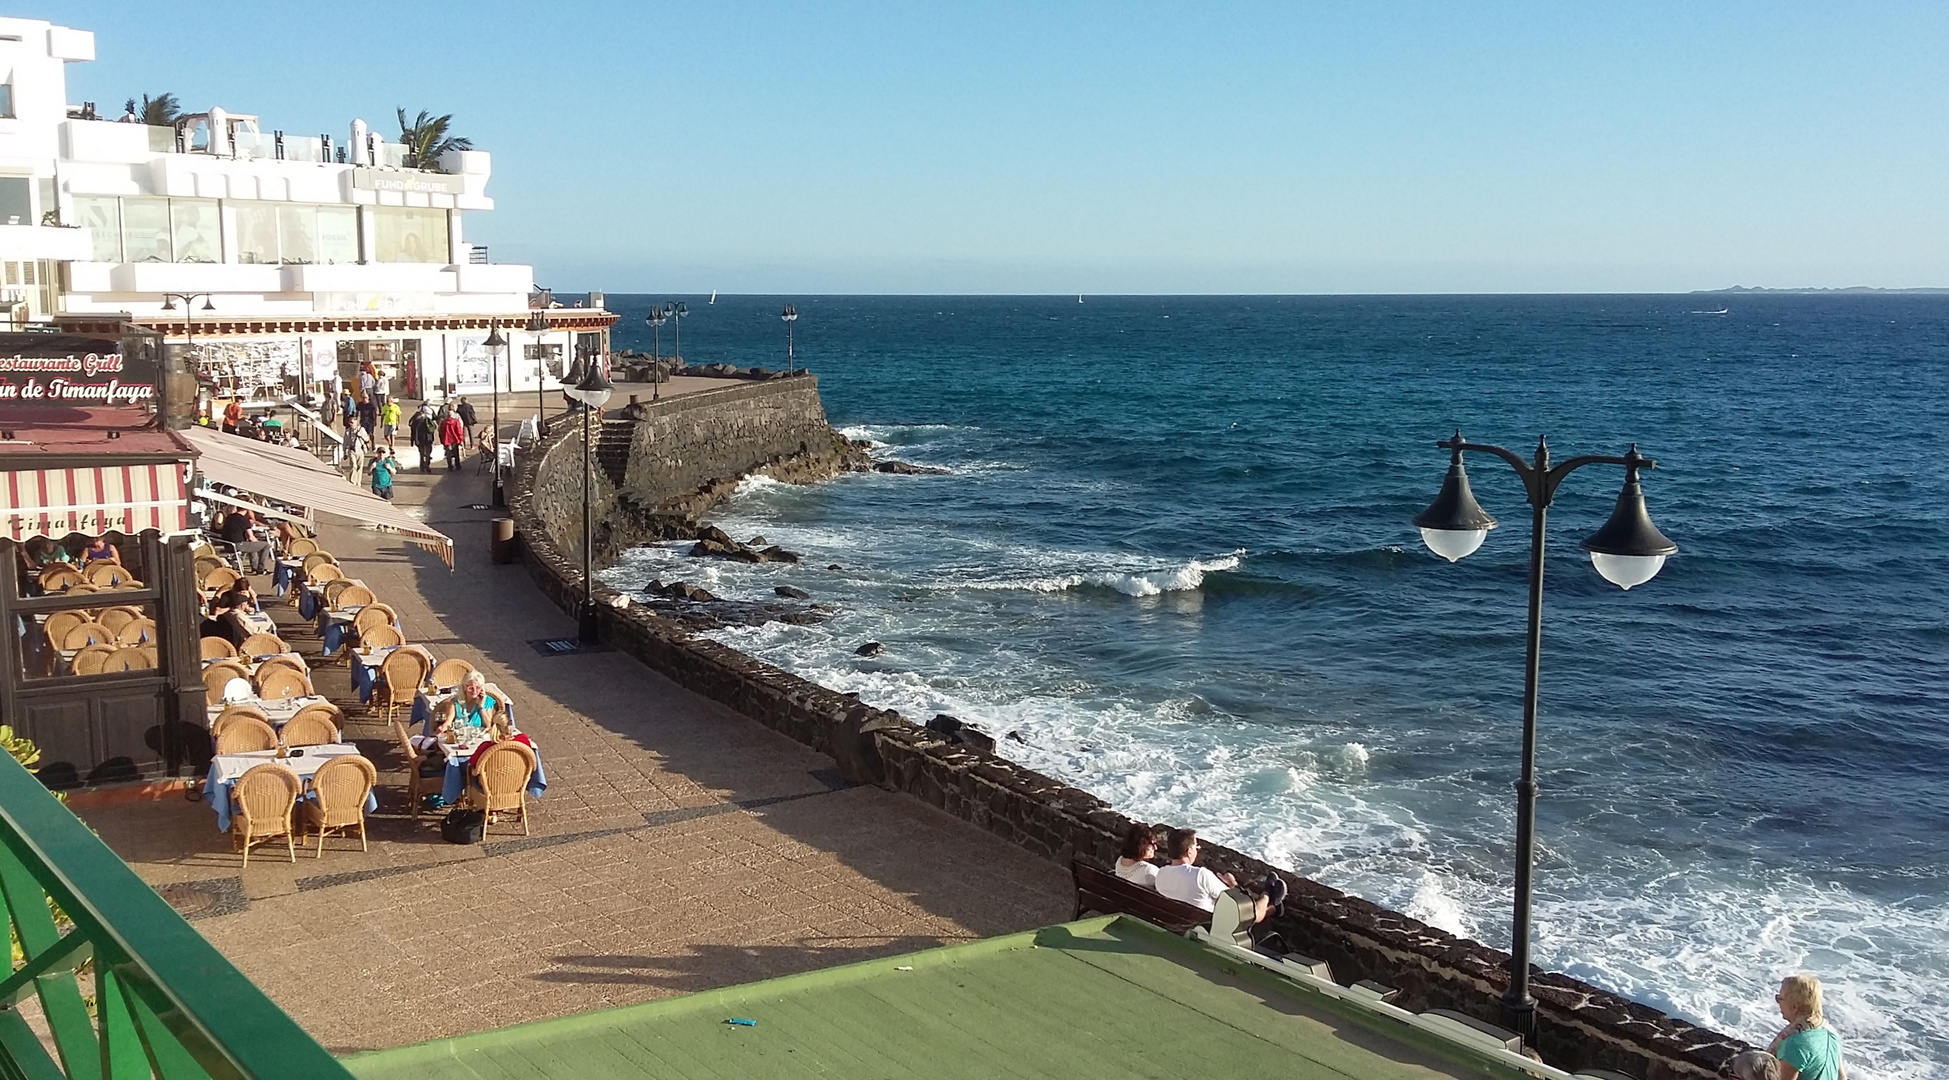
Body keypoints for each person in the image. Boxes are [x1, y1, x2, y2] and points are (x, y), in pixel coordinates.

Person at [1153, 828, 1286, 924]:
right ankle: (1268, 895)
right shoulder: (1200, 875)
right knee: (1253, 911)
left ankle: (1275, 907)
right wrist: (1232, 883)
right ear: (1189, 852)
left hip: (1180, 923)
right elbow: (1236, 901)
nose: (1197, 850)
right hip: (1212, 928)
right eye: (1196, 847)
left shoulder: (1160, 874)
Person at [1767, 974, 1846, 1080]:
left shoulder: (1795, 1044)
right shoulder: (1830, 1034)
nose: (1778, 1003)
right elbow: (1842, 1077)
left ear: (1794, 1007)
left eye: (1779, 999)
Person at [218, 508, 275, 574]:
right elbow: (251, 537)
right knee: (266, 545)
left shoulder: (229, 517)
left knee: (252, 545)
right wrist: (258, 542)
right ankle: (261, 569)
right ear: (246, 509)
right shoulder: (244, 520)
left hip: (227, 544)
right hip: (238, 545)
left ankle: (255, 567)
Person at [1114, 822, 1162, 890]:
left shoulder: (1119, 861)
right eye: (1152, 843)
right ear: (1141, 844)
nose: (1155, 848)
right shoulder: (1149, 870)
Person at [408, 403, 437, 473]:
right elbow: (432, 429)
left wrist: (413, 440)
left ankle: (423, 466)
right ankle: (426, 465)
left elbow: (413, 430)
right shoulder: (428, 420)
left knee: (422, 453)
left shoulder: (416, 421)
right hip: (428, 439)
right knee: (427, 453)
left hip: (420, 440)